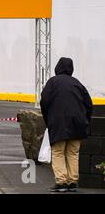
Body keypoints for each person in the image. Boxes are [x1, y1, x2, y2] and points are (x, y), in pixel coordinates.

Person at [40, 57, 93, 193]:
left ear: (57, 67)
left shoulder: (53, 82)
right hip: (78, 124)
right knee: (73, 153)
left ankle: (62, 182)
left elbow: (44, 102)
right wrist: (85, 121)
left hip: (58, 123)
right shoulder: (78, 83)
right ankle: (72, 182)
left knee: (58, 152)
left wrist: (49, 120)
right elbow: (89, 104)